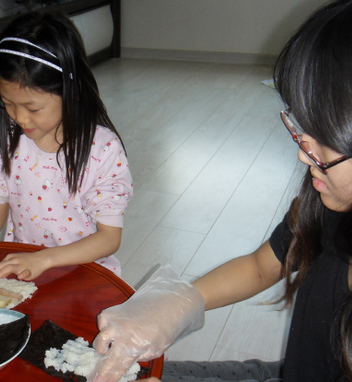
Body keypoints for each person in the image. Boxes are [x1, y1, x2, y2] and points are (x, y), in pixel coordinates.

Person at [89, 0, 352, 381]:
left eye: (324, 136)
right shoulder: (327, 202)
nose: (302, 151)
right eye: (302, 124)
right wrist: (179, 303)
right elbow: (262, 265)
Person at [0, 11, 133, 287]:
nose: (20, 119)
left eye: (33, 108)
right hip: (24, 271)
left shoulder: (102, 150)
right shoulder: (6, 141)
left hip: (85, 276)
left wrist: (45, 259)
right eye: (8, 104)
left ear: (72, 91)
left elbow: (109, 238)